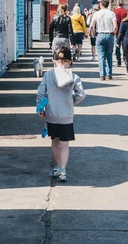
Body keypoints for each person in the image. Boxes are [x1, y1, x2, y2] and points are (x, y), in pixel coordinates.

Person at [36, 46, 86, 183]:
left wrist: (41, 107)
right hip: (66, 116)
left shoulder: (48, 75)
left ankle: (57, 167)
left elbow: (40, 93)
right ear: (70, 61)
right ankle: (63, 170)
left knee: (55, 142)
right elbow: (81, 94)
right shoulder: (74, 77)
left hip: (52, 114)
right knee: (65, 144)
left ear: (54, 60)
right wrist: (71, 102)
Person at [90, 0, 117, 80]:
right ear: (108, 4)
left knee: (101, 56)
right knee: (109, 55)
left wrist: (94, 33)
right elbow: (115, 26)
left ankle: (102, 74)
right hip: (109, 34)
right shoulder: (112, 13)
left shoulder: (96, 14)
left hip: (100, 34)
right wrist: (113, 33)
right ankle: (109, 74)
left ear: (101, 4)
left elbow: (91, 26)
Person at [113, 0, 128, 67]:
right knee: (125, 47)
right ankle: (125, 60)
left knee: (117, 46)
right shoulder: (126, 11)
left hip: (117, 32)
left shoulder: (114, 12)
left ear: (117, 3)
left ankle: (118, 61)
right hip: (125, 32)